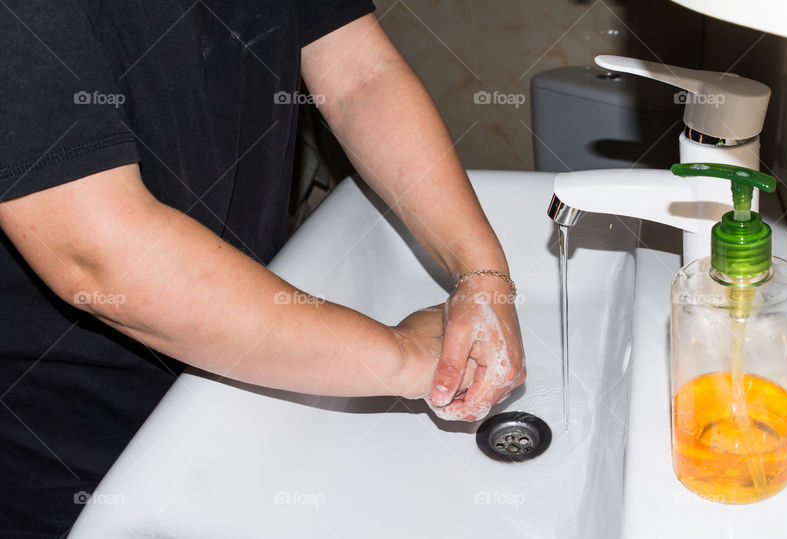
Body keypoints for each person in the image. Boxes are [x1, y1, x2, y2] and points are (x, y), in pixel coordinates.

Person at [0, 0, 525, 535]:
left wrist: (482, 275)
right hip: (63, 430)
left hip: (237, 354)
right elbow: (96, 254)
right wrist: (408, 358)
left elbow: (359, 75)